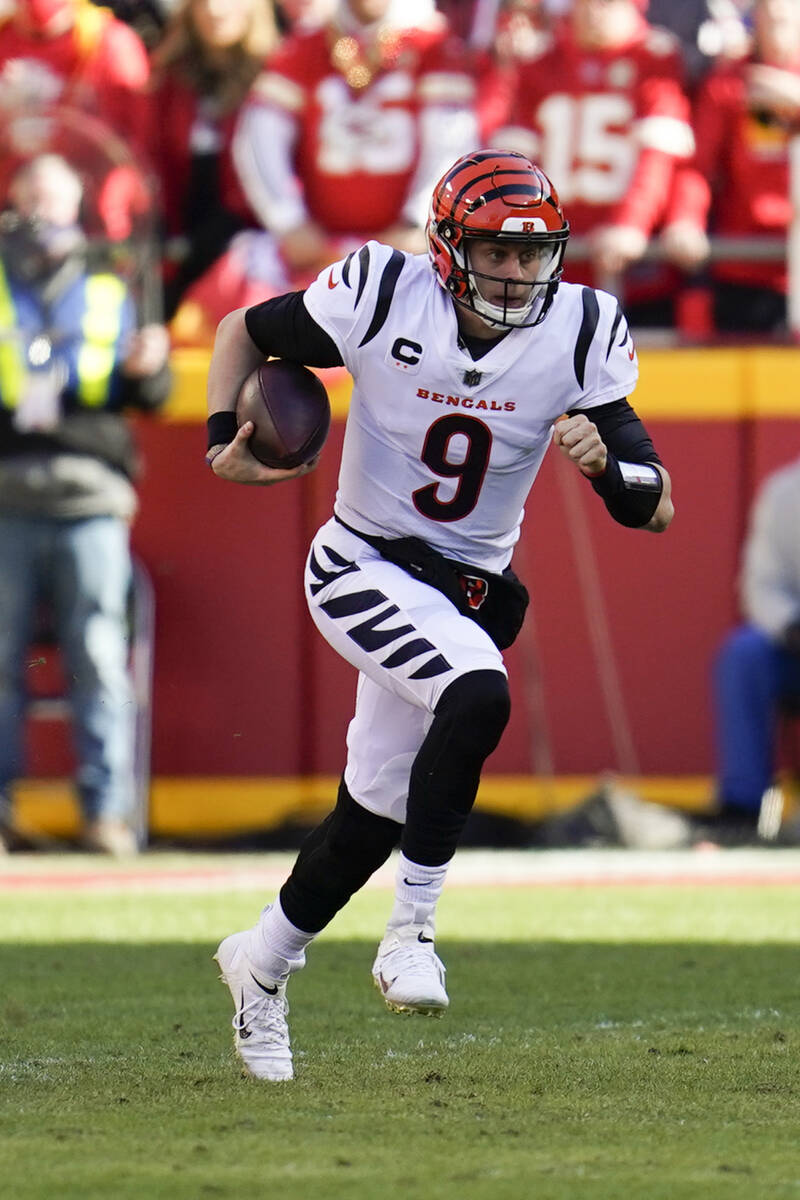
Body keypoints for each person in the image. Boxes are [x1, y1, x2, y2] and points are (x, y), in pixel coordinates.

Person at [205, 148, 673, 1081]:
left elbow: (653, 501)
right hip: (361, 562)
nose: (516, 270)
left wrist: (602, 464)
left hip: (463, 590)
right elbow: (237, 332)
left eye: (532, 254)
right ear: (449, 248)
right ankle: (410, 934)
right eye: (496, 251)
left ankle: (260, 962)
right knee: (478, 695)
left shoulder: (581, 328)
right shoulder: (383, 290)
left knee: (373, 812)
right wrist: (227, 440)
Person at [0, 153, 171, 855]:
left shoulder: (112, 277)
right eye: (30, 195)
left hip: (91, 490)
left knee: (99, 656)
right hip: (6, 490)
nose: (42, 209)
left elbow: (151, 397)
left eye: (54, 196)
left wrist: (151, 366)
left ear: (77, 207)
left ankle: (107, 814)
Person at [172, 0, 493, 344]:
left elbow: (452, 142)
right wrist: (288, 221)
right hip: (317, 253)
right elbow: (260, 134)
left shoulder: (434, 46)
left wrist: (420, 221)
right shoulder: (311, 42)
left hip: (408, 251)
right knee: (244, 310)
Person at [493, 0, 695, 324]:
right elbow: (514, 163)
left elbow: (661, 155)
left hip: (634, 270)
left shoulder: (653, 58)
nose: (593, 12)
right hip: (555, 267)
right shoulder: (540, 62)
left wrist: (631, 222)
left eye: (606, 3)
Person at [661, 0, 800, 334]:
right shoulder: (728, 84)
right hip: (744, 266)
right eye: (768, 14)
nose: (776, 23)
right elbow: (698, 168)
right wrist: (685, 221)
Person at [147, 0, 280, 321]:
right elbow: (153, 158)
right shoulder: (168, 75)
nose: (215, 9)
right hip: (178, 233)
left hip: (248, 239)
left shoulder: (276, 75)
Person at [701, 455, 800, 843]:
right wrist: (790, 627)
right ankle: (741, 808)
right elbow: (762, 585)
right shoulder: (785, 492)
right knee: (744, 655)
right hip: (793, 647)